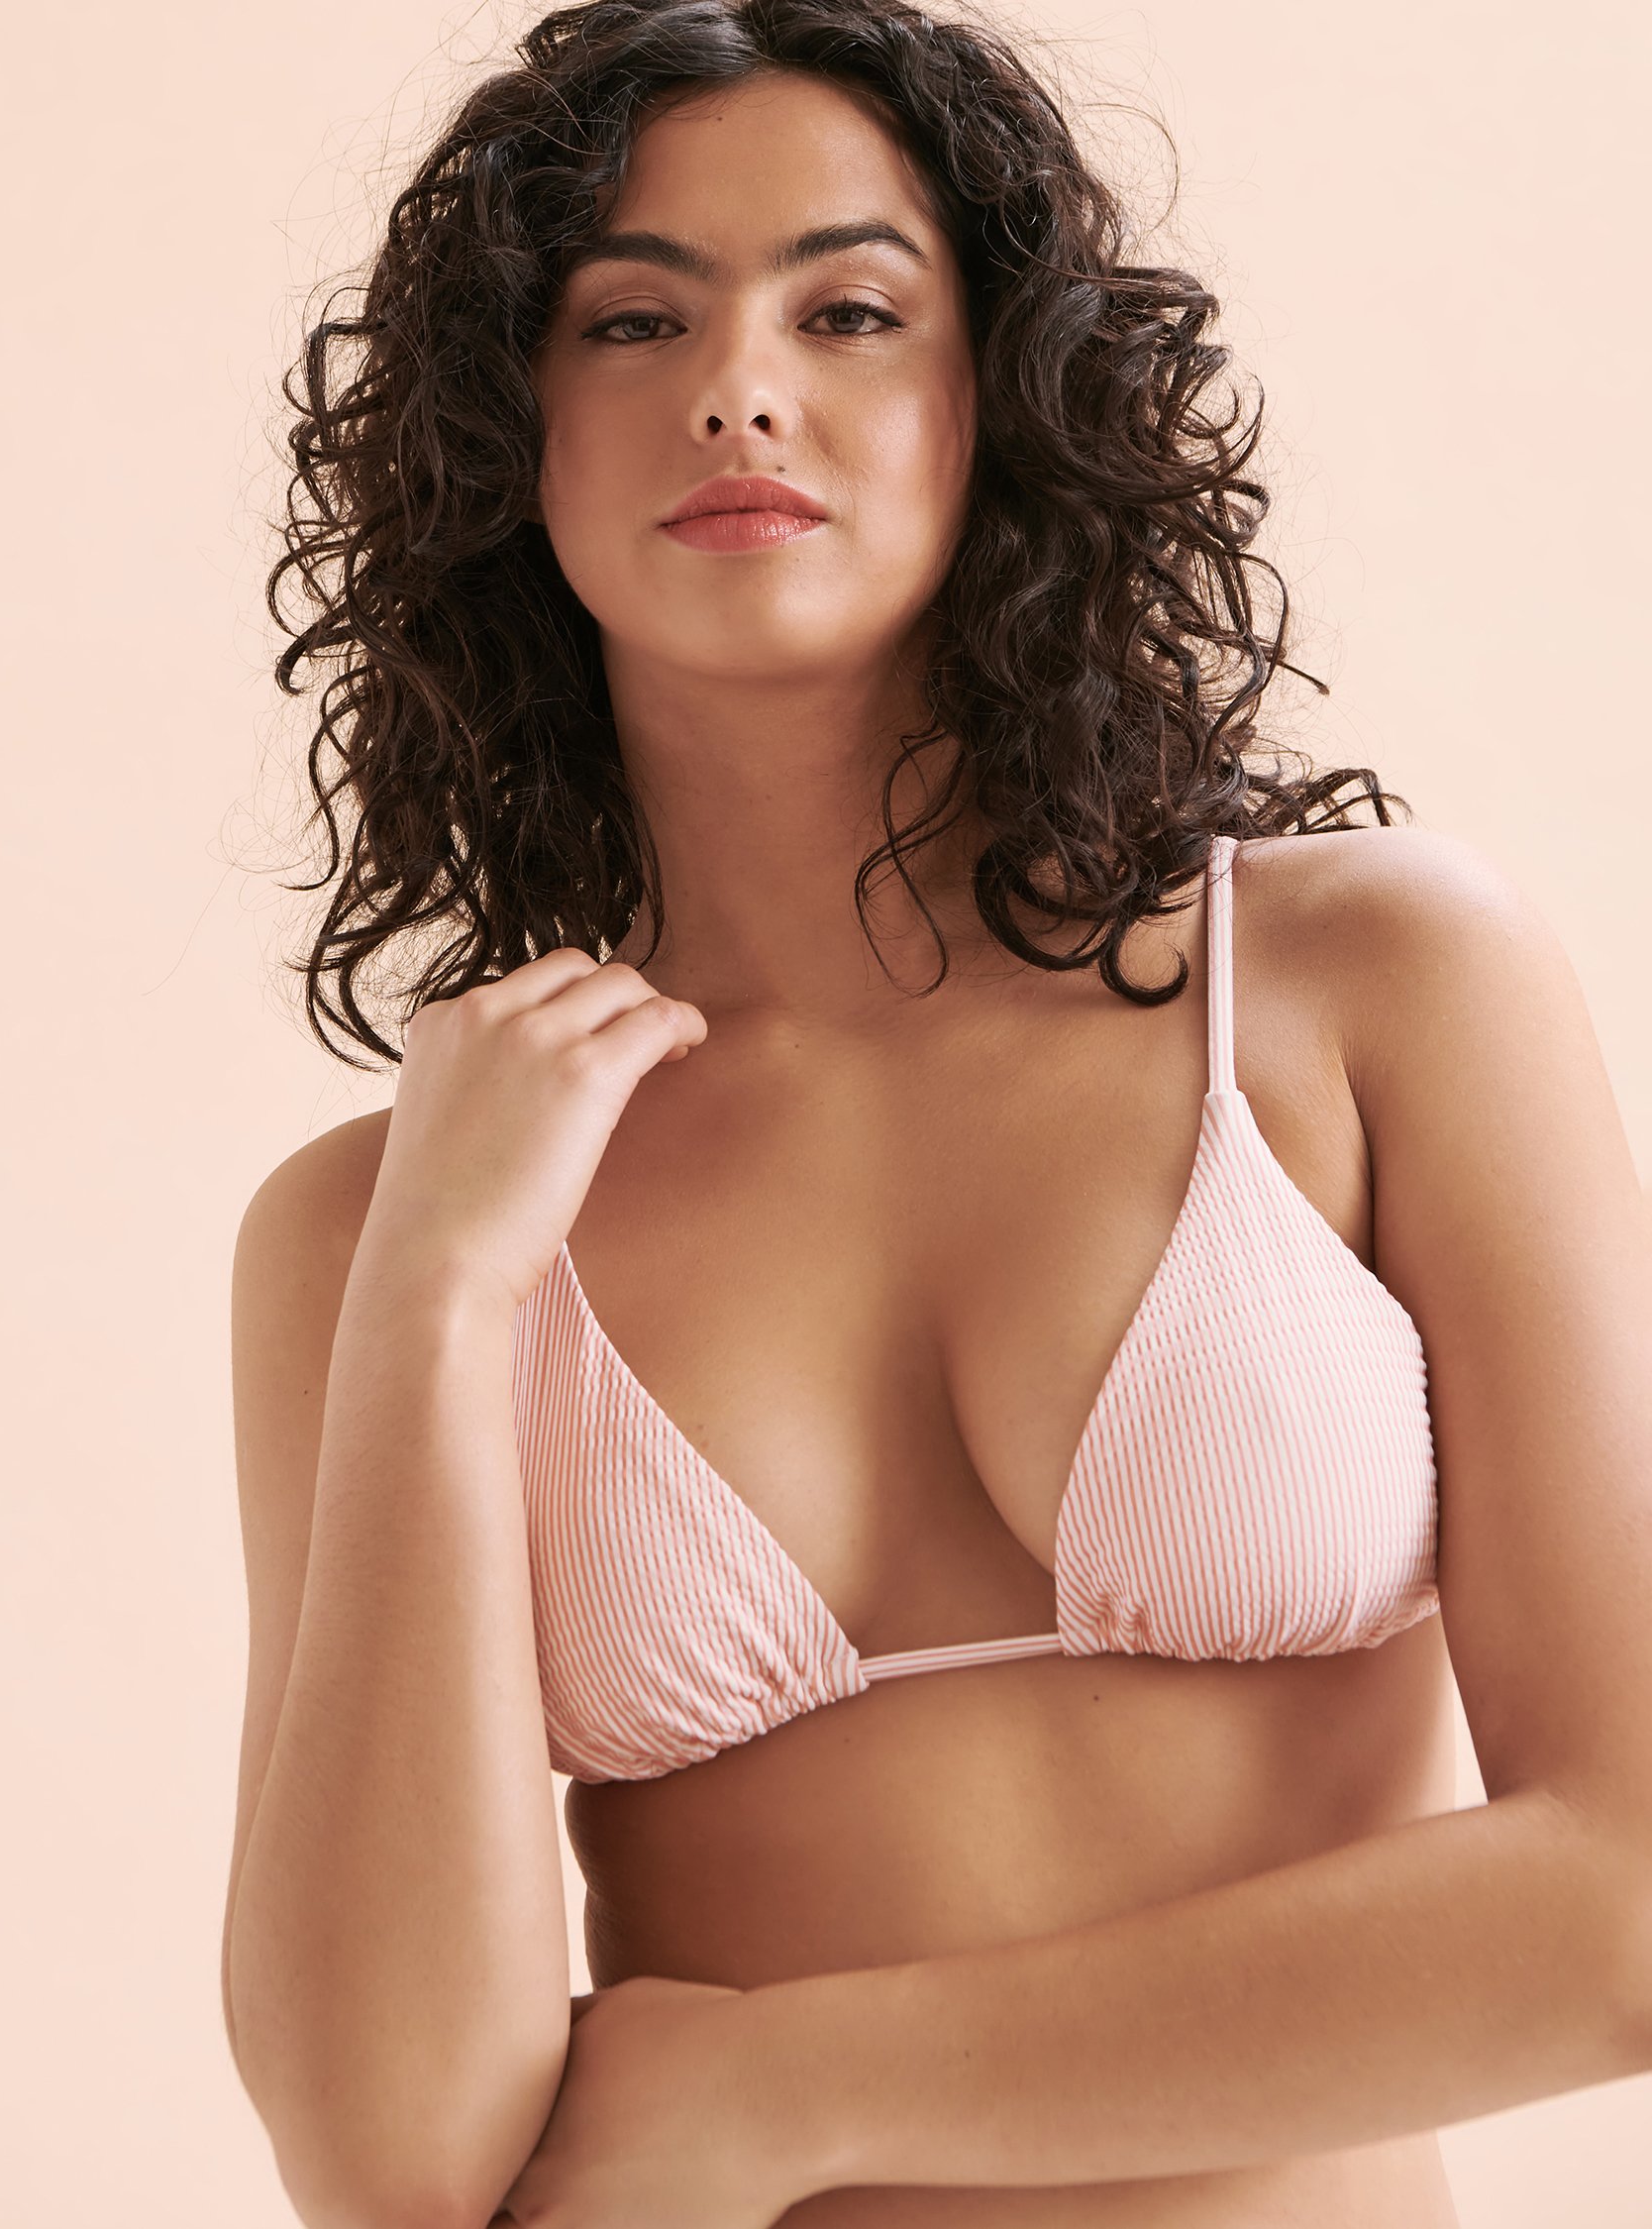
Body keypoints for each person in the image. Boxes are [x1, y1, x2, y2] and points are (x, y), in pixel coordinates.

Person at [219, 4, 1652, 2225]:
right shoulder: (396, 1223)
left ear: (1007, 398)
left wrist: (786, 2092)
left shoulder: (1367, 990)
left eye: (851, 309)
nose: (738, 386)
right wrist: (435, 1293)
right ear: (514, 436)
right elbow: (393, 2155)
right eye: (634, 318)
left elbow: (1629, 1906)